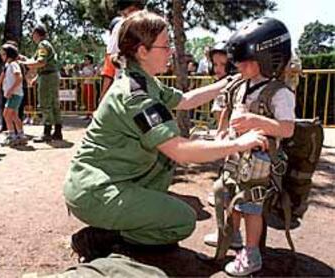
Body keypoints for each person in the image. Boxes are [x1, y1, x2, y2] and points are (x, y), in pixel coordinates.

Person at [64, 10, 269, 263]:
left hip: (106, 181)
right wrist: (237, 143)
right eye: (165, 45)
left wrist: (231, 81)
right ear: (142, 51)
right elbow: (180, 151)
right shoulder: (136, 96)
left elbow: (185, 100)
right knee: (182, 221)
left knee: (163, 169)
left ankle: (120, 226)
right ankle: (105, 238)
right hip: (95, 191)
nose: (171, 51)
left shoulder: (143, 81)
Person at [203, 17, 295, 276]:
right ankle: (232, 237)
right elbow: (230, 111)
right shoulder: (242, 85)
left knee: (250, 206)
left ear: (267, 59)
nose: (238, 65)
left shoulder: (279, 92)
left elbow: (287, 129)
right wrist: (224, 135)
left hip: (260, 163)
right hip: (236, 156)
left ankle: (252, 253)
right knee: (230, 196)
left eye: (245, 61)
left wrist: (258, 121)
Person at [20, 24, 62, 142]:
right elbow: (42, 62)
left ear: (36, 34)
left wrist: (24, 64)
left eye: (32, 34)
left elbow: (41, 62)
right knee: (54, 103)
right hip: (50, 75)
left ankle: (47, 132)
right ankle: (58, 131)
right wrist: (26, 61)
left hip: (47, 77)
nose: (31, 36)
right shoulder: (47, 44)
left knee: (45, 103)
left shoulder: (42, 45)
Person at [99, 0, 145, 99]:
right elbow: (110, 63)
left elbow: (109, 65)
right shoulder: (121, 26)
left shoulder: (145, 25)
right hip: (127, 84)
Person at [0, 43, 26, 146]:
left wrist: (10, 90)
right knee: (14, 115)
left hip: (14, 94)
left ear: (8, 55)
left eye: (3, 54)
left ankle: (11, 135)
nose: (2, 57)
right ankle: (20, 135)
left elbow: (19, 78)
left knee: (6, 114)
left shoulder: (14, 64)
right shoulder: (8, 65)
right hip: (15, 94)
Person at [209, 41, 237, 124]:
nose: (217, 69)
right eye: (215, 64)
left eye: (223, 64)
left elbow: (219, 114)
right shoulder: (220, 86)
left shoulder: (228, 88)